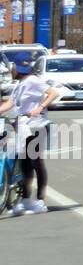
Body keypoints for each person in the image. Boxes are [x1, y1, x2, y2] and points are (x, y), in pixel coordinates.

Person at [0, 59, 61, 216]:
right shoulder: (19, 84)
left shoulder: (33, 80)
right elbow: (10, 104)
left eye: (12, 67)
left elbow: (54, 93)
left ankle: (40, 201)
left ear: (18, 68)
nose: (10, 70)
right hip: (24, 125)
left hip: (37, 124)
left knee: (36, 162)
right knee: (25, 163)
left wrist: (40, 107)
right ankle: (26, 200)